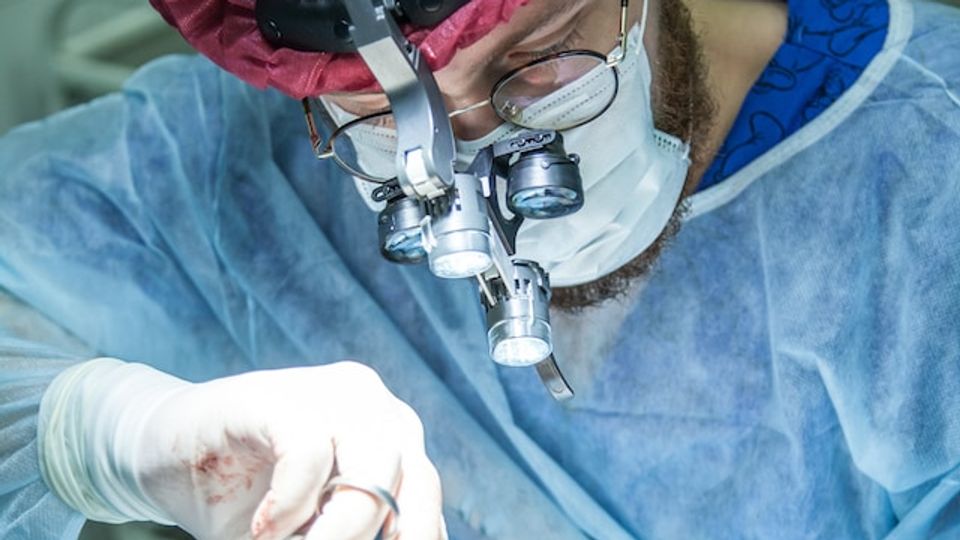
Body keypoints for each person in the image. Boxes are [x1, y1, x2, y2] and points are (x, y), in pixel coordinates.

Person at [1, 0, 958, 538]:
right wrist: (96, 432)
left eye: (538, 59)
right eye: (382, 113)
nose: (472, 176)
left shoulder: (926, 178)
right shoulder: (229, 167)